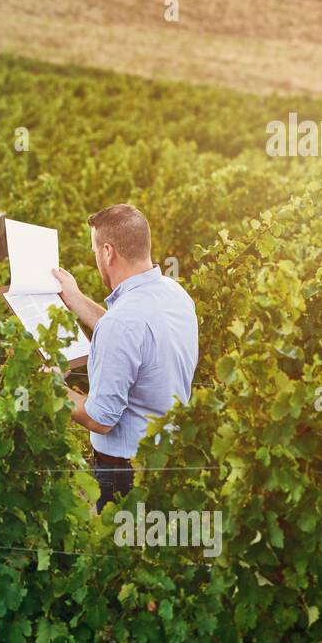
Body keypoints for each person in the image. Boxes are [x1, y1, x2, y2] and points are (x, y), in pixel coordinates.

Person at [50, 204, 198, 513]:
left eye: (94, 252)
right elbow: (131, 335)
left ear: (108, 253)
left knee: (115, 556)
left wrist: (51, 387)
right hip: (165, 461)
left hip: (123, 474)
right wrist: (76, 299)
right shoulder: (174, 294)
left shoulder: (122, 324)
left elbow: (100, 419)